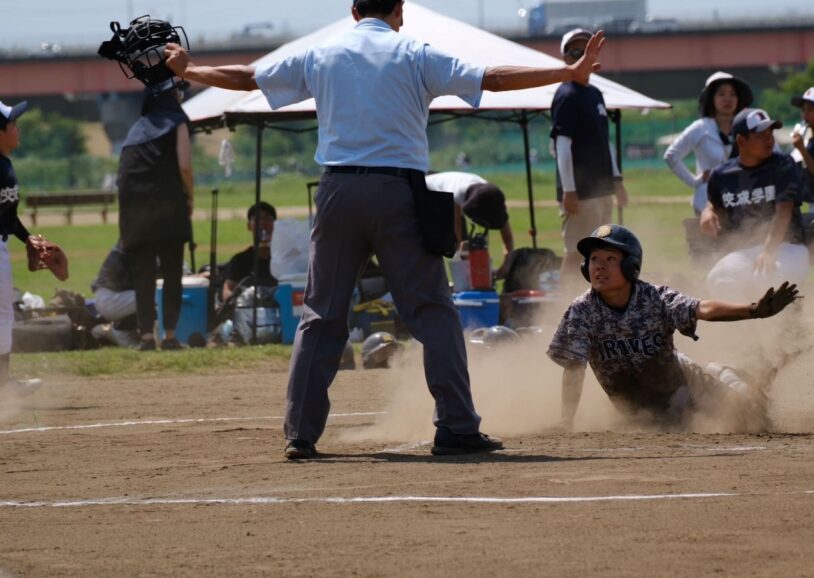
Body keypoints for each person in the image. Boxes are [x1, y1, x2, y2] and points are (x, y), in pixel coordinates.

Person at [165, 0, 608, 459]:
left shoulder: (323, 54)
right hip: (399, 192)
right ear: (399, 10)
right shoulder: (414, 52)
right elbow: (493, 78)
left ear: (354, 11)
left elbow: (245, 78)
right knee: (432, 312)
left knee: (322, 314)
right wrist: (567, 73)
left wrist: (190, 68)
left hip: (337, 192)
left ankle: (300, 433)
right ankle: (456, 426)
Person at [548, 224, 799, 430]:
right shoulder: (582, 310)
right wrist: (565, 419)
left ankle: (726, 374)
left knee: (753, 417)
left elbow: (702, 309)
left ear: (630, 266)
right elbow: (574, 368)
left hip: (688, 390)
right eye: (594, 259)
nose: (599, 266)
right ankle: (718, 369)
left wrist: (752, 310)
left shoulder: (654, 298)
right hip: (643, 412)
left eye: (610, 258)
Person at [700, 108, 811, 302]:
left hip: (787, 247)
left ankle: (790, 329)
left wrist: (768, 251)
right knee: (718, 279)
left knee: (766, 278)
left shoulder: (783, 165)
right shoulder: (723, 175)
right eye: (761, 135)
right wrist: (707, 212)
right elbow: (713, 202)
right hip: (746, 252)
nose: (769, 140)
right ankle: (747, 329)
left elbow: (783, 212)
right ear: (741, 140)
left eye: (770, 133)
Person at [116, 86, 194, 352]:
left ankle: (147, 337)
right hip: (168, 204)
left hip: (134, 208)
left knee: (143, 274)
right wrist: (190, 197)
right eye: (178, 93)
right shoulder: (178, 122)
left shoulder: (135, 130)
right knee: (173, 271)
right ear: (171, 98)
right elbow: (184, 165)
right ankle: (170, 336)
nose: (180, 97)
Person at [1, 99, 69, 395]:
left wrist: (26, 237)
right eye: (12, 123)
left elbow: (6, 215)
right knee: (3, 315)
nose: (18, 128)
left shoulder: (4, 164)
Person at [551, 28, 628, 290]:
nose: (581, 55)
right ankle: (563, 308)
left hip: (601, 186)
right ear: (565, 58)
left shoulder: (595, 94)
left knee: (601, 250)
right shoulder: (567, 93)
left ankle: (592, 303)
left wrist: (616, 180)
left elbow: (605, 142)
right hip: (580, 191)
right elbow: (562, 145)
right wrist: (569, 190)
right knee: (575, 251)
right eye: (575, 50)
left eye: (586, 49)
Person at [664, 71, 753, 215]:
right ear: (711, 98)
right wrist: (694, 181)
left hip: (742, 201)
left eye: (732, 94)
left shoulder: (747, 125)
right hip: (706, 204)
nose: (728, 99)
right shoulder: (700, 128)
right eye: (721, 94)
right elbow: (671, 155)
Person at [425, 171, 515, 278]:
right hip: (426, 189)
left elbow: (508, 238)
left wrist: (507, 264)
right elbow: (456, 234)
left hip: (451, 190)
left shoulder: (492, 196)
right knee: (441, 246)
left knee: (466, 249)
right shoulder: (456, 195)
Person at [222, 201, 278, 303]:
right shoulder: (239, 260)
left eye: (267, 219)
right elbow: (228, 290)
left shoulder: (284, 259)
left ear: (275, 225)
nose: (263, 223)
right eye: (257, 219)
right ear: (249, 226)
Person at [90, 243, 141, 349]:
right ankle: (119, 331)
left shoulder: (129, 242)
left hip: (110, 298)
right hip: (112, 299)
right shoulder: (134, 246)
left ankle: (112, 330)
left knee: (154, 294)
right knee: (156, 296)